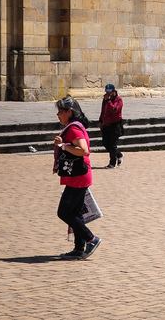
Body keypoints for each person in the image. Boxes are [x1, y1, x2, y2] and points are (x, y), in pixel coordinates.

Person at [53, 97, 101, 260]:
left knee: (64, 212)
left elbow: (84, 150)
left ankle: (91, 239)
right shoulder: (72, 127)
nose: (58, 115)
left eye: (60, 112)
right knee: (76, 213)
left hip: (78, 177)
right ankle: (79, 248)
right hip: (80, 176)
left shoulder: (73, 129)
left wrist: (64, 146)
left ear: (69, 112)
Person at [99, 83, 124, 169]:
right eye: (107, 92)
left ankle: (112, 163)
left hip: (115, 125)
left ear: (114, 91)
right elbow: (103, 111)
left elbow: (114, 110)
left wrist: (109, 101)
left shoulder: (119, 100)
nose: (108, 94)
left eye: (110, 92)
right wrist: (101, 121)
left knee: (113, 145)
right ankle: (119, 154)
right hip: (106, 124)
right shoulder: (105, 100)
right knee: (105, 143)